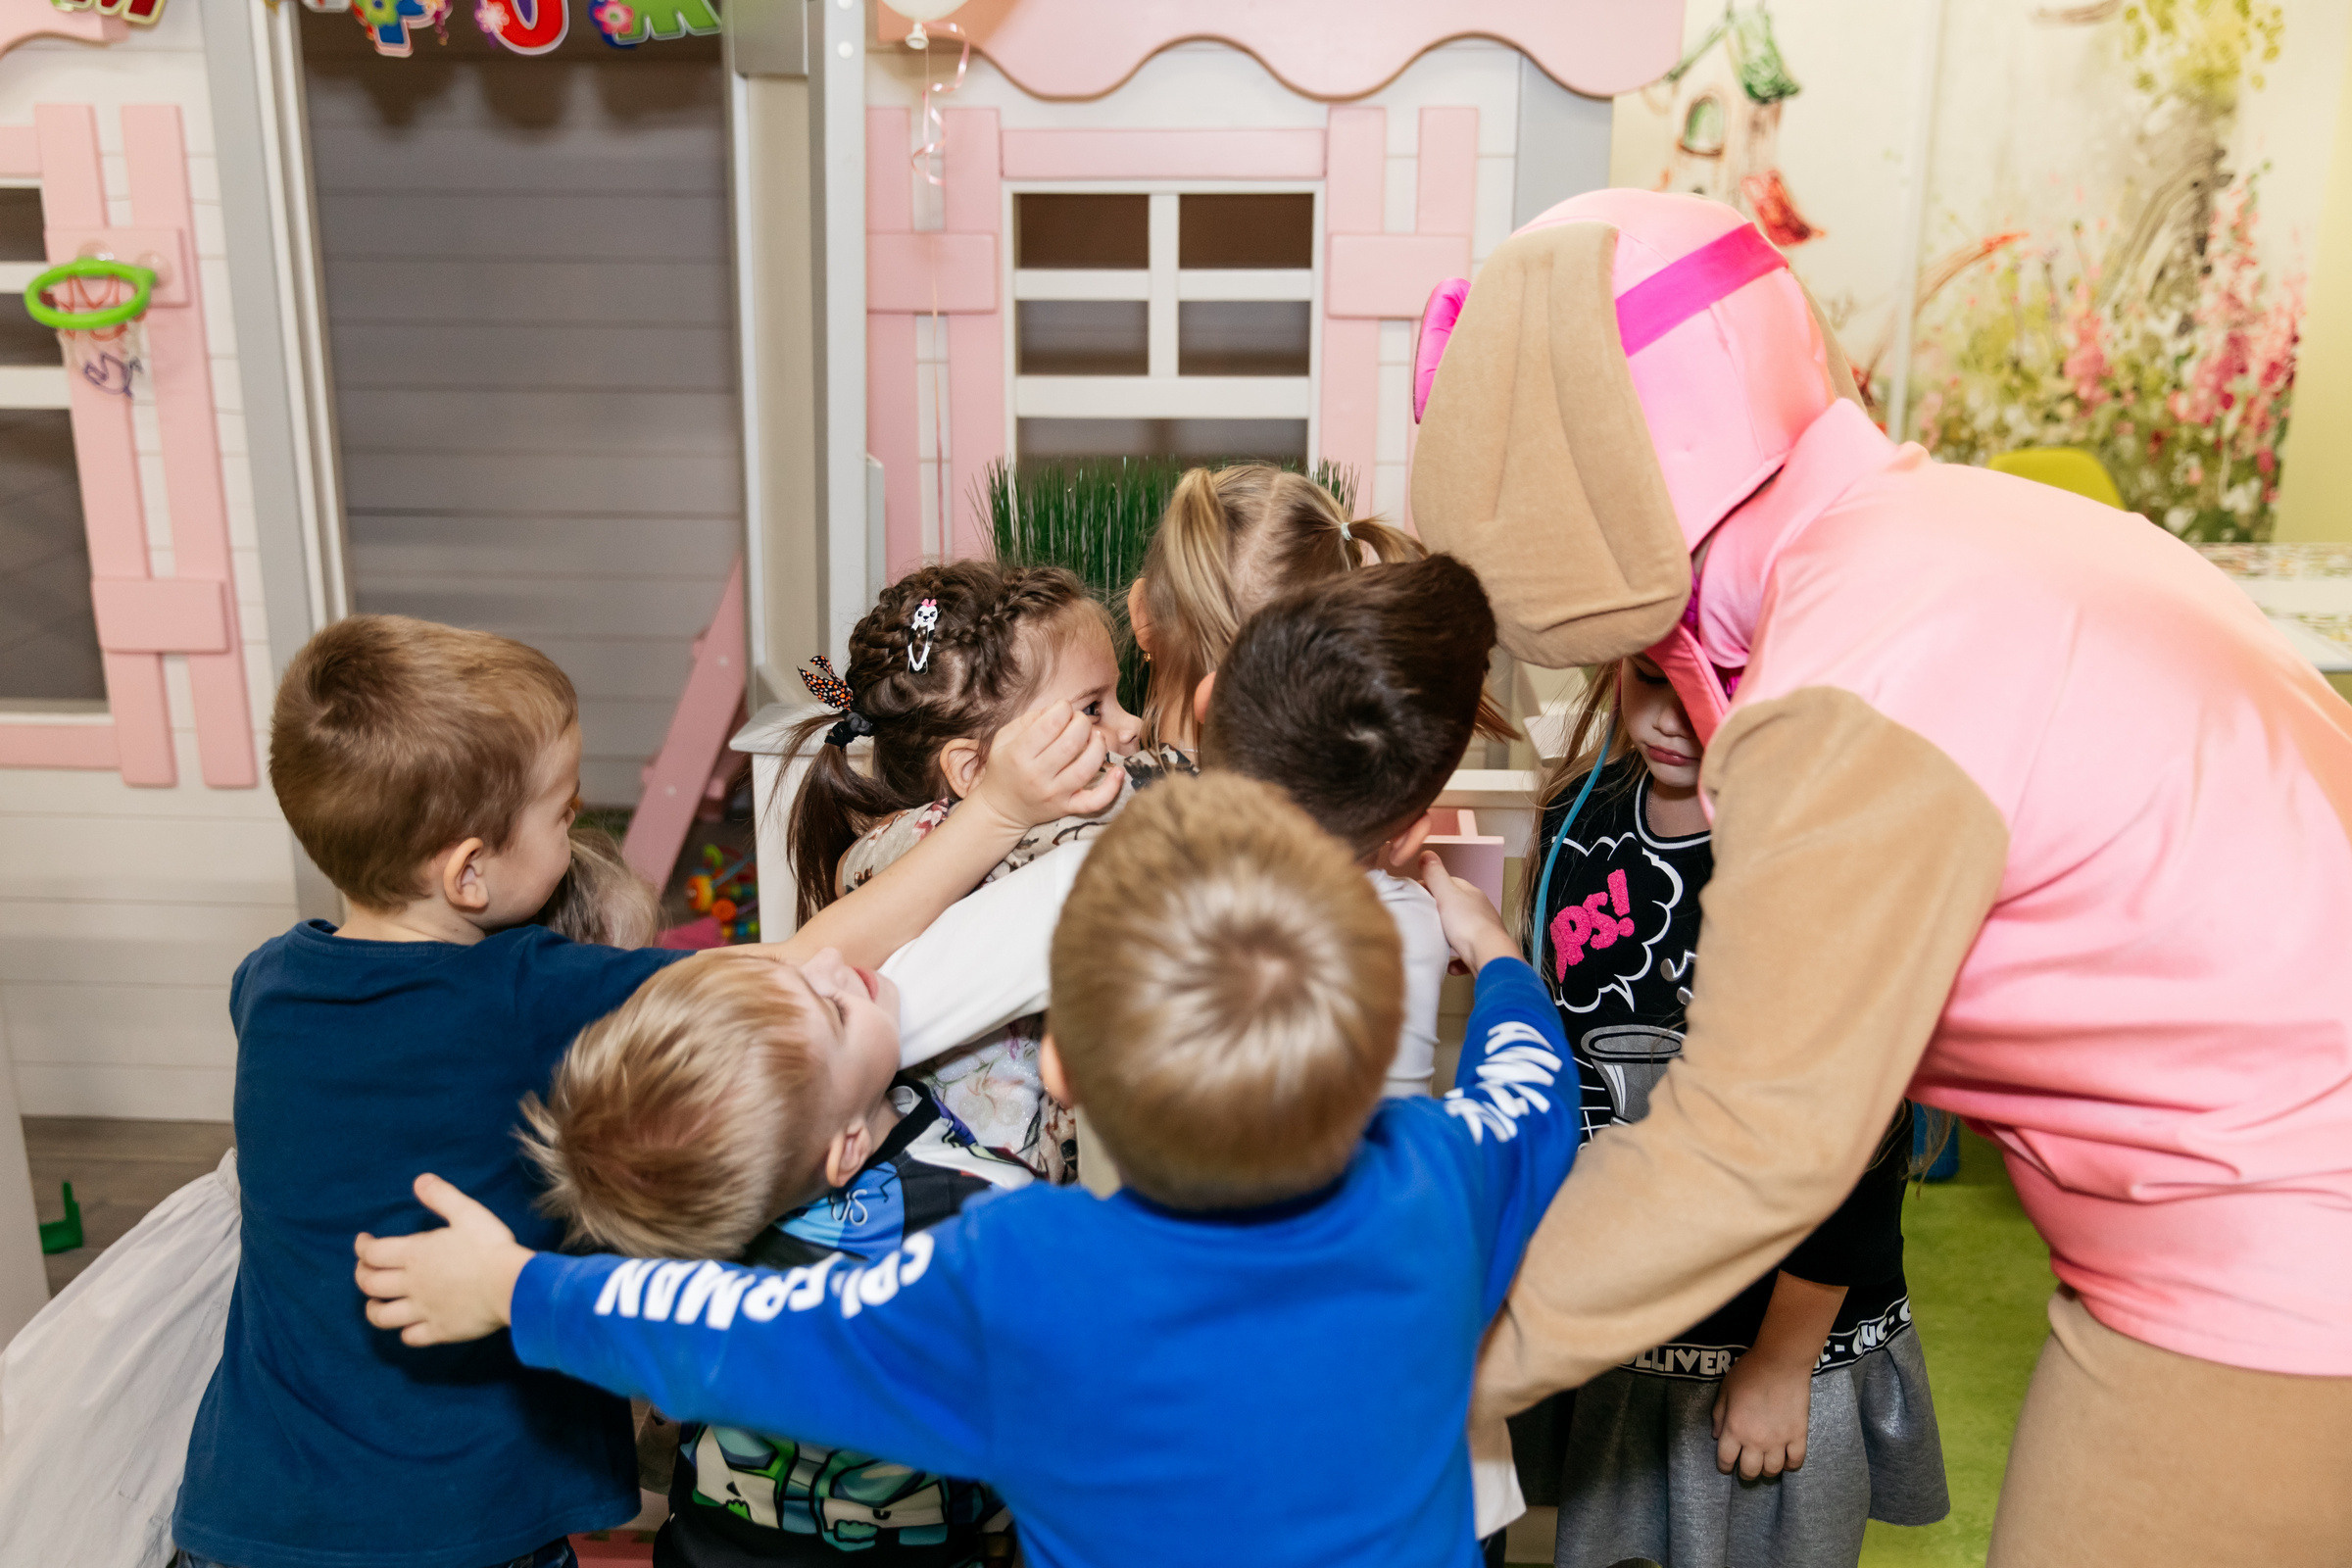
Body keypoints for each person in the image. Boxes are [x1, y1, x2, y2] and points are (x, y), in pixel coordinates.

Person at [1409, 187, 2352, 1564]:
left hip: (2273, 1236)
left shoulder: (1865, 668)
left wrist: (1404, 1375)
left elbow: (1752, 1139)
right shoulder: (1932, 542)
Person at [352, 771, 1579, 1568]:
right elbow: (1531, 1097)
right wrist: (1496, 959)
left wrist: (516, 1289)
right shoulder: (1438, 1177)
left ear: (1062, 1073)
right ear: (1370, 1048)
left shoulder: (1020, 1276)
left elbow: (733, 1325)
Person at [172, 613, 1119, 1568]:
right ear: (468, 872)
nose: (579, 826)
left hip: (251, 1493)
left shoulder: (270, 984)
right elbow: (791, 967)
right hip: (444, 1519)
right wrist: (998, 813)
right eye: (561, 813)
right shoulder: (516, 997)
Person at [1519, 655, 1945, 1567]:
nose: (1675, 716)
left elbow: (1861, 1131)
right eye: (1650, 677)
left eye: (1717, 681)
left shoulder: (1820, 851)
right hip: (1626, 1321)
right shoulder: (1575, 815)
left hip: (1779, 1334)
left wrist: (1786, 1360)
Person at [523, 952, 1035, 1568]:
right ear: (846, 1149)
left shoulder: (690, 1237)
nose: (830, 962)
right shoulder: (982, 1210)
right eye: (837, 1012)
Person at [786, 561, 1141, 1183]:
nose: (1130, 727)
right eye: (1092, 709)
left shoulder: (916, 839)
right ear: (974, 774)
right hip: (980, 1202)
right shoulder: (942, 843)